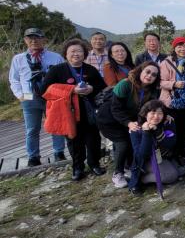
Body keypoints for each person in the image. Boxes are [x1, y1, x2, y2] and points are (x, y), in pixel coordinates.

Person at [42, 38, 107, 180]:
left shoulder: (90, 69)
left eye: (79, 51)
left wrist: (91, 88)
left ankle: (94, 164)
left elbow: (102, 87)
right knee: (73, 140)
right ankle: (78, 168)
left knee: (93, 139)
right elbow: (44, 90)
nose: (76, 54)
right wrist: (71, 90)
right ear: (65, 54)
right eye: (72, 51)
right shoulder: (57, 70)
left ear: (84, 53)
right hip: (68, 112)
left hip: (89, 111)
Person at [98, 62, 161, 188]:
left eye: (154, 75)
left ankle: (129, 167)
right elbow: (115, 108)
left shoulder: (152, 90)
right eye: (147, 72)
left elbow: (152, 107)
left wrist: (165, 114)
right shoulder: (126, 84)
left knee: (135, 141)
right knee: (123, 144)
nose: (149, 76)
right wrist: (128, 123)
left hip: (131, 119)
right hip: (110, 119)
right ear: (140, 71)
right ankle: (118, 173)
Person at [9, 28, 66, 166]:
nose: (34, 41)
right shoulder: (18, 59)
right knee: (32, 128)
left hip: (51, 96)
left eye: (37, 37)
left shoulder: (55, 57)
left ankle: (59, 152)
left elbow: (62, 76)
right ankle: (33, 156)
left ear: (44, 39)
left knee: (55, 125)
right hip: (29, 96)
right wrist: (20, 95)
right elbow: (14, 79)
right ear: (25, 40)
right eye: (30, 38)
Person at [159, 37, 185, 158]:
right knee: (177, 130)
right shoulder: (167, 62)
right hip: (173, 102)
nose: (183, 49)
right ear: (174, 48)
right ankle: (176, 155)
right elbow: (160, 81)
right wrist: (173, 84)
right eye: (179, 46)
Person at [128, 100, 178, 196]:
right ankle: (141, 178)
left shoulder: (168, 122)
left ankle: (146, 177)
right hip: (145, 162)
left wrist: (157, 131)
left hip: (162, 157)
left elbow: (171, 144)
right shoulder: (136, 128)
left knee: (177, 172)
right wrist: (146, 132)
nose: (156, 116)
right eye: (153, 113)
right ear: (145, 114)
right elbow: (142, 154)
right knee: (172, 176)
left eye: (160, 113)